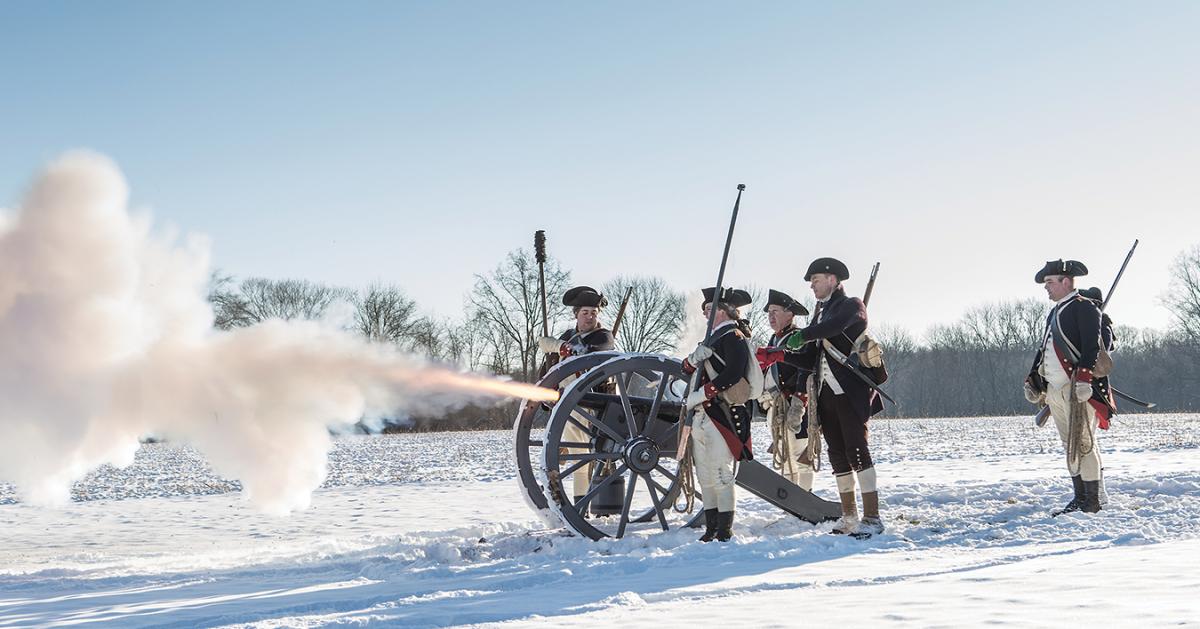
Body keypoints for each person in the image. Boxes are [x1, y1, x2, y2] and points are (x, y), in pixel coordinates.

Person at [780, 257, 885, 537]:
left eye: (815, 279)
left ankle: (872, 517)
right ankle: (849, 516)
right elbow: (812, 358)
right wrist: (783, 355)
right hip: (826, 395)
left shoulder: (851, 306)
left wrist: (803, 335)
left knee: (857, 451)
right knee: (837, 455)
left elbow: (834, 328)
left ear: (832, 279)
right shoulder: (820, 315)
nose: (812, 285)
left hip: (851, 392)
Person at [1024, 260, 1116, 515]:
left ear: (1066, 282)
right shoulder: (1054, 313)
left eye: (1050, 282)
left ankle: (1092, 501)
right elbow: (1044, 349)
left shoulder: (1084, 308)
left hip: (1078, 389)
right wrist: (1033, 378)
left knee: (1084, 444)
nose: (1047, 288)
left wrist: (1085, 379)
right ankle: (1079, 497)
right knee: (1070, 445)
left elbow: (1092, 348)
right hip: (1055, 390)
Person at [683, 287, 754, 542]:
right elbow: (687, 368)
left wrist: (704, 393)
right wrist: (692, 359)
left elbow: (734, 373)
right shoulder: (710, 340)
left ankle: (724, 530)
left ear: (724, 312)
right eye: (704, 310)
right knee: (704, 474)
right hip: (703, 415)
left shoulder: (734, 336)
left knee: (721, 474)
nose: (706, 315)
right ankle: (711, 527)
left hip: (722, 413)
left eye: (711, 310)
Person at [537, 286, 616, 511]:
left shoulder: (603, 336)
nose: (590, 317)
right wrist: (545, 391)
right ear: (576, 315)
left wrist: (563, 348)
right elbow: (550, 367)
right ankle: (565, 504)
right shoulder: (568, 337)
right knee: (565, 453)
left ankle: (581, 508)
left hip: (587, 403)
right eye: (585, 313)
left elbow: (586, 354)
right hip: (562, 402)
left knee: (581, 455)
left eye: (593, 313)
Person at [755, 289, 816, 490]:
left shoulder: (798, 337)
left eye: (776, 311)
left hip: (795, 405)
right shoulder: (774, 340)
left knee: (801, 456)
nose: (771, 316)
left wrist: (799, 403)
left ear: (790, 314)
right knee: (785, 454)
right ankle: (793, 502)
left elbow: (804, 370)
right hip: (777, 405)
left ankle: (805, 497)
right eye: (769, 312)